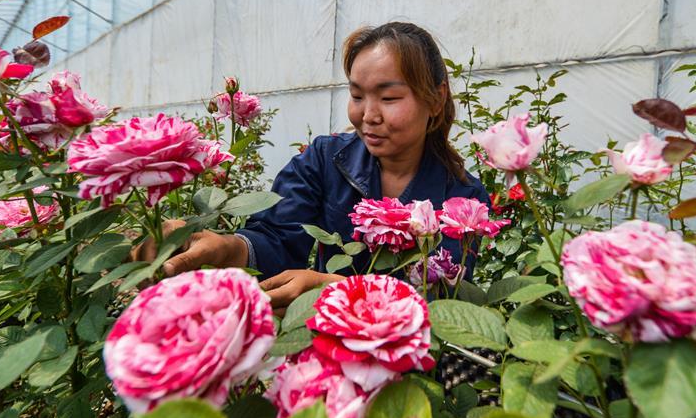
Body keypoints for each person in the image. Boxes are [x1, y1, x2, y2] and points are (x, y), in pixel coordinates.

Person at [134, 22, 491, 308]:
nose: (367, 115)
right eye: (356, 96)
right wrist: (225, 248)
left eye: (388, 97)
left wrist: (336, 290)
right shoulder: (325, 160)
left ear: (436, 98)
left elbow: (441, 303)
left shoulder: (463, 200)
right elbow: (276, 239)